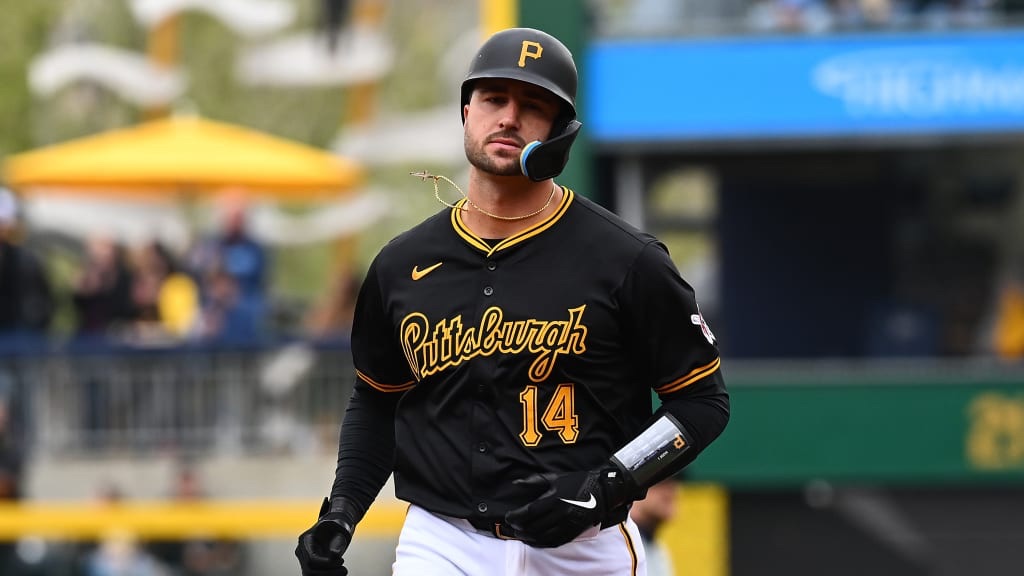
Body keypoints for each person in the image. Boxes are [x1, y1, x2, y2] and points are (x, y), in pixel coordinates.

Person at [295, 27, 730, 576]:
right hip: (444, 540)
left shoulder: (626, 259)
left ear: (560, 130)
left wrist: (609, 484)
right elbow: (378, 400)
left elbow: (701, 402)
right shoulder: (402, 264)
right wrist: (342, 510)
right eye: (493, 98)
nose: (508, 117)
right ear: (466, 111)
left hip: (582, 547)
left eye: (532, 105)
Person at [628, 478, 680, 576]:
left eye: (674, 482)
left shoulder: (660, 550)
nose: (671, 492)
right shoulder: (614, 543)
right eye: (661, 482)